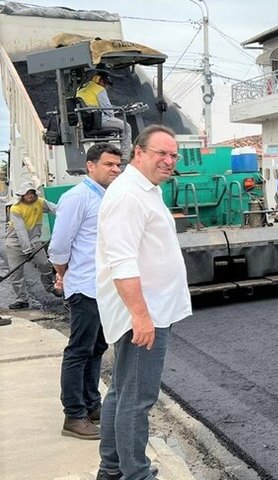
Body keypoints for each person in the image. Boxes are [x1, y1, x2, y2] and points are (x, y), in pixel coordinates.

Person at [95, 125, 192, 480]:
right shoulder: (128, 195)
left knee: (122, 393)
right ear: (138, 153)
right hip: (143, 314)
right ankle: (135, 474)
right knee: (137, 400)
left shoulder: (145, 189)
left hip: (150, 309)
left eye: (173, 155)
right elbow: (122, 262)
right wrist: (141, 316)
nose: (169, 161)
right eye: (160, 153)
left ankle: (111, 469)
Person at [49, 143, 122, 441]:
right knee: (79, 351)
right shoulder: (77, 198)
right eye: (109, 164)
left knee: (97, 349)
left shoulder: (107, 196)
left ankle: (93, 406)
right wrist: (63, 275)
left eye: (118, 165)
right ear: (91, 166)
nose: (116, 169)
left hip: (104, 289)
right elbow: (59, 245)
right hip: (85, 288)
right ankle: (73, 414)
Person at [4, 181, 61, 309]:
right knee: (16, 273)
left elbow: (56, 209)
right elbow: (20, 231)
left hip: (34, 240)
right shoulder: (15, 208)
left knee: (45, 264)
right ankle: (21, 299)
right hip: (15, 243)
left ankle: (50, 287)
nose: (30, 196)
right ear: (22, 195)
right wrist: (27, 250)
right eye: (27, 193)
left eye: (32, 193)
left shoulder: (40, 202)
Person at [77, 70, 132, 159]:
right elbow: (108, 110)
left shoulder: (82, 88)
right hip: (98, 120)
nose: (105, 86)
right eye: (105, 84)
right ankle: (125, 157)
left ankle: (99, 154)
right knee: (126, 126)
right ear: (101, 81)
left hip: (86, 121)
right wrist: (114, 116)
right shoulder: (99, 89)